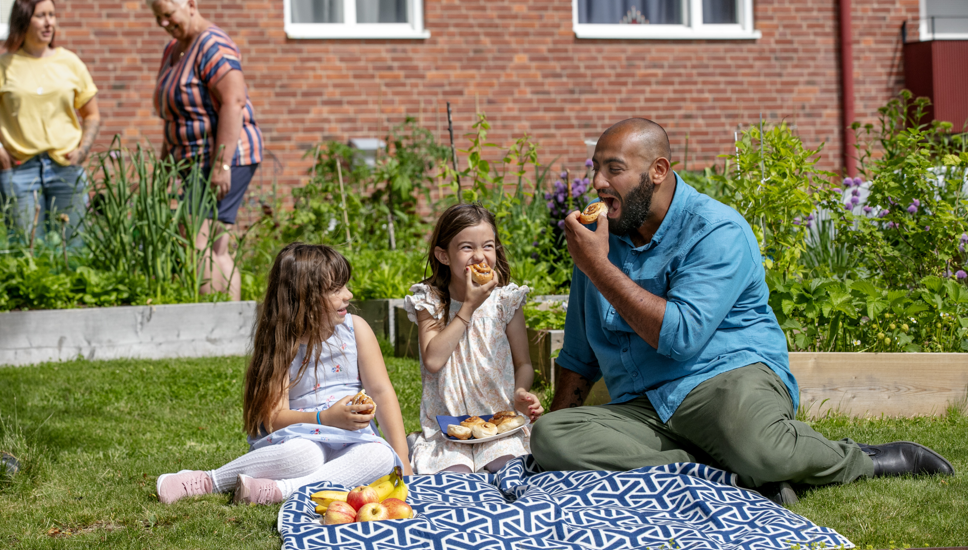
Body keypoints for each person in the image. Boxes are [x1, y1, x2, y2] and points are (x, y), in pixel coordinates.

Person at [532, 118, 954, 502]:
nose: (598, 181)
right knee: (553, 438)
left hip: (725, 383)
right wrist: (551, 448)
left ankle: (868, 459)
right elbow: (578, 356)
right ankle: (737, 473)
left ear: (657, 171)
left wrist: (598, 267)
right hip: (646, 407)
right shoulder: (600, 241)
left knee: (758, 445)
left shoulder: (715, 230)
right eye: (595, 168)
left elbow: (680, 337)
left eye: (614, 169)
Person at [156, 243, 410, 505]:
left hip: (353, 439)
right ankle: (210, 480)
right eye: (336, 289)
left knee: (379, 456)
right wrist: (326, 418)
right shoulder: (282, 343)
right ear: (304, 297)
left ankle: (281, 490)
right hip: (300, 435)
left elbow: (381, 392)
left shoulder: (356, 330)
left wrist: (403, 459)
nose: (348, 294)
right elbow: (273, 418)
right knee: (304, 455)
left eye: (345, 285)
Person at [404, 204, 544, 475]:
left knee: (508, 468)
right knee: (455, 475)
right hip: (449, 426)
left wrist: (520, 393)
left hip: (497, 421)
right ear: (443, 255)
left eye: (488, 246)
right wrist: (467, 307)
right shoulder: (431, 301)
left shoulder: (505, 302)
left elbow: (523, 363)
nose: (480, 256)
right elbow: (433, 359)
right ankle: (421, 446)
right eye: (467, 247)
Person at [147, 0, 263, 300]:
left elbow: (233, 101)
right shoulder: (174, 49)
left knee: (201, 241)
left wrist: (221, 165)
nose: (163, 23)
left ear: (190, 4)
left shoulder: (213, 44)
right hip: (191, 161)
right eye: (157, 17)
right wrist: (163, 168)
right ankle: (231, 327)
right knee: (213, 244)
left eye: (168, 14)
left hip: (221, 158)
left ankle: (218, 326)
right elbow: (175, 116)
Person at [0, 0, 100, 245]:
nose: (49, 22)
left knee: (73, 246)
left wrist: (83, 150)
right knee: (26, 249)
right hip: (19, 170)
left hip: (66, 168)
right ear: (23, 20)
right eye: (41, 15)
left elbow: (92, 114)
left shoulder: (70, 63)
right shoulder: (0, 66)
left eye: (52, 15)